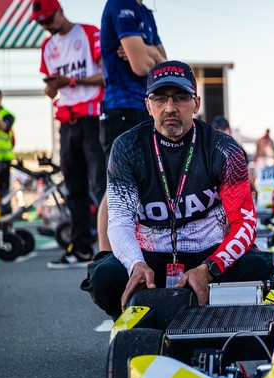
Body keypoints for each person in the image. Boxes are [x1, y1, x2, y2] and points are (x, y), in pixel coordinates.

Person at [85, 61, 274, 319]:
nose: (170, 107)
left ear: (196, 103)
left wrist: (210, 268)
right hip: (149, 257)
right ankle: (140, 325)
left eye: (181, 98)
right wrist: (135, 264)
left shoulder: (225, 149)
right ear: (148, 105)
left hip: (209, 254)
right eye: (160, 98)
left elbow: (244, 223)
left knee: (257, 266)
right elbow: (119, 223)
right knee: (105, 277)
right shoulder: (126, 148)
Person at [32, 0, 107, 268]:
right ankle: (81, 248)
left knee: (102, 185)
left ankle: (110, 250)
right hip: (66, 121)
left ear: (60, 11)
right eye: (41, 23)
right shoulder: (47, 47)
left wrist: (72, 81)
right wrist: (52, 89)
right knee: (73, 187)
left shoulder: (89, 33)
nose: (46, 26)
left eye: (48, 20)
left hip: (92, 117)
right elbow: (52, 88)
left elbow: (106, 75)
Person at [98, 0, 166, 252]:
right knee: (116, 185)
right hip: (121, 109)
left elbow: (164, 67)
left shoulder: (146, 12)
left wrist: (148, 50)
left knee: (145, 181)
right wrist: (152, 57)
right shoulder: (119, 4)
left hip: (144, 107)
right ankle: (105, 255)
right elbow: (140, 67)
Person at [0, 89, 15, 214]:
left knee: (4, 191)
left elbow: (3, 127)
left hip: (3, 160)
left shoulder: (7, 115)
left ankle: (6, 218)